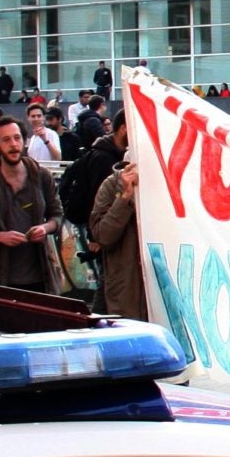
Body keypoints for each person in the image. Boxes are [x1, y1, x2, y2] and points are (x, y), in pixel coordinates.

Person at [0, 116, 62, 291]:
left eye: (17, 138)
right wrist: (0, 237)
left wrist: (44, 228)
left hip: (40, 276)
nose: (13, 144)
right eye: (6, 140)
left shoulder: (42, 177)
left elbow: (57, 216)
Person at [87, 114, 145, 323]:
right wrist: (125, 198)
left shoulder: (166, 185)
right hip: (124, 291)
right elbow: (103, 235)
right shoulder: (111, 186)